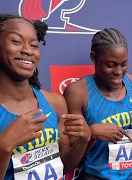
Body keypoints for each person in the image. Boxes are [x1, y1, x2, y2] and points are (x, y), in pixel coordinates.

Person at [0, 14, 91, 180]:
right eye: (16, 41)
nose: (28, 50)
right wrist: (4, 146)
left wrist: (83, 141)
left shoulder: (55, 103)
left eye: (34, 45)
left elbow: (62, 166)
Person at [63, 28, 132, 180]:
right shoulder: (77, 92)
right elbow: (72, 154)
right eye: (111, 65)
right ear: (93, 58)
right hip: (97, 175)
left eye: (123, 64)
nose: (119, 71)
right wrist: (91, 133)